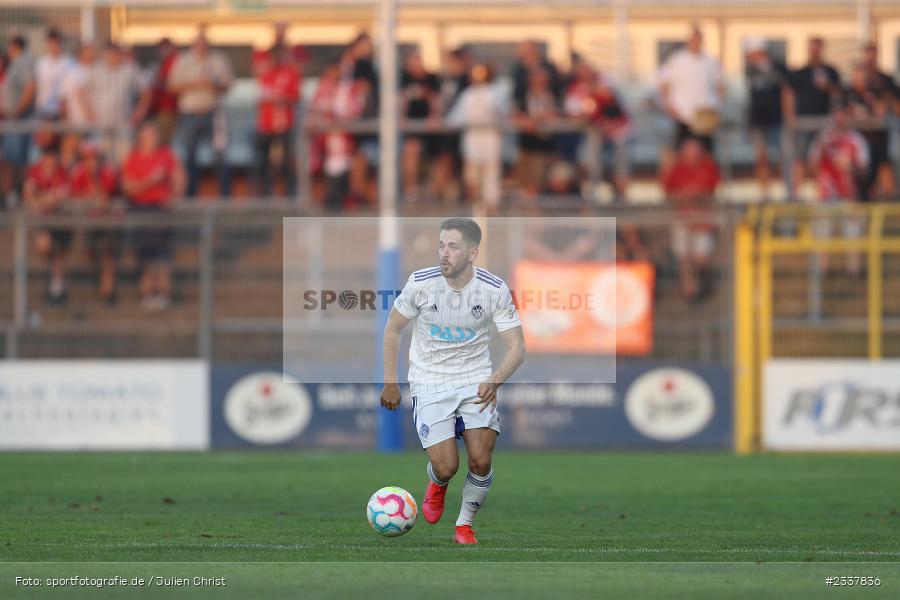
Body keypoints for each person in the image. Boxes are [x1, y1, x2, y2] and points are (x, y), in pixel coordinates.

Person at [380, 218, 526, 545]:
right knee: (447, 467)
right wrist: (390, 381)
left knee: (481, 458)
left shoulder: (493, 289)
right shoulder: (420, 283)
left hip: (475, 380)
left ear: (473, 253)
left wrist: (496, 380)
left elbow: (518, 346)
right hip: (429, 381)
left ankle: (464, 526)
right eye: (441, 245)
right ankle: (438, 482)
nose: (444, 253)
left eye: (453, 247)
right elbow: (393, 329)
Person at [121, 122, 185, 311]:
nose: (151, 139)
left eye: (153, 135)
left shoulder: (166, 155)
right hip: (140, 209)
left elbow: (178, 177)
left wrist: (174, 196)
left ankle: (164, 292)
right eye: (147, 135)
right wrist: (150, 181)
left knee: (162, 254)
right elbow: (128, 187)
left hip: (160, 210)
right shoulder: (133, 158)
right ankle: (148, 292)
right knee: (145, 254)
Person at [168, 26, 233, 198]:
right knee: (190, 157)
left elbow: (227, 85)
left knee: (220, 155)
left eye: (205, 44)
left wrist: (212, 83)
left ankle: (224, 196)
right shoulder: (183, 60)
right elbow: (172, 86)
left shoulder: (219, 59)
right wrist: (195, 83)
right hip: (190, 113)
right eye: (199, 44)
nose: (202, 47)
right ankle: (191, 195)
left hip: (214, 113)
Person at [661, 138, 720, 302]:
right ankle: (688, 287)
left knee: (700, 257)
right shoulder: (676, 168)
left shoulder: (708, 166)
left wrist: (694, 195)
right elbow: (668, 192)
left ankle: (704, 282)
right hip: (683, 216)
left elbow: (709, 190)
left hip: (702, 219)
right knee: (683, 256)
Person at [446, 64, 507, 212]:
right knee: (472, 180)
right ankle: (475, 212)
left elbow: (502, 115)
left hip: (491, 143)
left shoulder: (496, 93)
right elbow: (454, 119)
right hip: (472, 143)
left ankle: (492, 212)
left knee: (491, 181)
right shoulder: (468, 95)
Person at [786, 37, 841, 199]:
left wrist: (827, 86)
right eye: (812, 48)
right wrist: (791, 116)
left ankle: (821, 193)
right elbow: (789, 92)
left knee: (821, 158)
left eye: (817, 48)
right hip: (804, 122)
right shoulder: (801, 72)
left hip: (824, 121)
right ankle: (796, 195)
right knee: (800, 157)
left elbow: (839, 92)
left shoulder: (830, 71)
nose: (814, 51)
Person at [656, 25, 724, 152]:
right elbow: (664, 84)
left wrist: (717, 105)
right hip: (683, 114)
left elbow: (720, 85)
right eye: (693, 40)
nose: (695, 43)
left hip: (705, 114)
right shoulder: (677, 60)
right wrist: (668, 105)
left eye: (698, 40)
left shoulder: (710, 61)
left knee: (705, 152)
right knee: (683, 152)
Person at [69, 141, 120, 304]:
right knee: (91, 250)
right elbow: (75, 196)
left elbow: (106, 197)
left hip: (106, 222)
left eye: (94, 158)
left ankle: (108, 288)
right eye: (88, 158)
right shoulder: (78, 173)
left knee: (107, 250)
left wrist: (95, 192)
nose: (92, 162)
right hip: (87, 222)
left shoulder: (107, 172)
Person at [744, 36, 791, 200]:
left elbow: (786, 87)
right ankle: (764, 192)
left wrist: (788, 116)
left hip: (776, 119)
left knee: (783, 155)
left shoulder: (777, 67)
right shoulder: (750, 70)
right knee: (761, 156)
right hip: (758, 120)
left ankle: (787, 190)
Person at [88, 42, 150, 161]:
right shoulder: (96, 70)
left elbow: (146, 91)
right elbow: (82, 91)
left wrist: (139, 113)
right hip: (102, 122)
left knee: (124, 157)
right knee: (102, 157)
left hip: (123, 122)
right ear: (105, 55)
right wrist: (89, 113)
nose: (112, 56)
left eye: (115, 53)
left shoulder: (130, 69)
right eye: (110, 53)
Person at [24, 145, 69, 304]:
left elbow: (58, 200)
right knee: (45, 247)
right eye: (47, 158)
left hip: (60, 220)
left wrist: (42, 200)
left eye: (52, 158)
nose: (50, 161)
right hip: (43, 220)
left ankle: (56, 287)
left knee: (58, 252)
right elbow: (28, 196)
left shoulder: (61, 172)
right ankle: (54, 283)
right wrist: (42, 201)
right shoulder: (36, 171)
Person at [254, 48, 300, 197]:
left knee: (287, 159)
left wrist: (281, 99)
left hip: (284, 123)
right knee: (264, 159)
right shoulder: (265, 75)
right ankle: (265, 191)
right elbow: (260, 99)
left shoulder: (290, 74)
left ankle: (289, 192)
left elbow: (295, 97)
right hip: (266, 124)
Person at [846, 63, 893, 201]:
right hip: (856, 143)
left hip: (874, 141)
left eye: (864, 77)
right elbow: (846, 115)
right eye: (858, 77)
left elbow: (880, 113)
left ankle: (884, 198)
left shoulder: (874, 94)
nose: (862, 80)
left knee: (880, 169)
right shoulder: (848, 94)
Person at [400, 51, 441, 203]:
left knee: (434, 158)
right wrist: (402, 118)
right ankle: (411, 190)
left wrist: (434, 117)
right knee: (410, 156)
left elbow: (435, 100)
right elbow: (402, 100)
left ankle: (431, 191)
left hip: (428, 126)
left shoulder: (431, 78)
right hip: (412, 125)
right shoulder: (404, 78)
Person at [513, 68, 559, 200]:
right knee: (523, 183)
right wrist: (527, 121)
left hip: (542, 147)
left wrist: (536, 120)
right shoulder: (524, 97)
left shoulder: (551, 97)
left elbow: (552, 115)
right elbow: (516, 115)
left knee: (537, 183)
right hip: (526, 145)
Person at [1, 36, 36, 206]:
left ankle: (17, 197)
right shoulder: (16, 64)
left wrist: (16, 112)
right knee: (11, 160)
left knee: (15, 161)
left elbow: (30, 88)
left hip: (17, 121)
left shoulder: (22, 63)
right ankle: (14, 197)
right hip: (11, 119)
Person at [35, 28, 74, 121]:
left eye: (57, 42)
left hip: (64, 110)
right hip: (44, 109)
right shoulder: (41, 63)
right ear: (47, 44)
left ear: (61, 43)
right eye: (51, 43)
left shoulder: (69, 62)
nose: (54, 46)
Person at [61, 43, 95, 130]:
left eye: (91, 52)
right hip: (77, 123)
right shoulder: (72, 74)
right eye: (87, 53)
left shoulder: (98, 72)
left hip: (96, 123)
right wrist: (66, 121)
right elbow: (63, 100)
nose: (90, 55)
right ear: (81, 54)